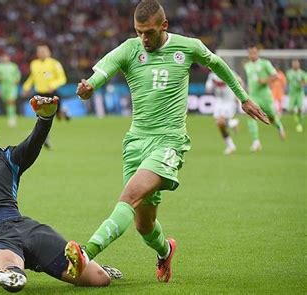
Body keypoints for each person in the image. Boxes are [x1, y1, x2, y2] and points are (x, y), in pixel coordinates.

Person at [64, 0, 269, 283]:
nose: (144, 38)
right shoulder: (130, 48)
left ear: (164, 25)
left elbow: (218, 64)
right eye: (139, 32)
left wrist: (243, 97)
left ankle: (86, 253)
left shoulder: (188, 46)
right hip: (135, 143)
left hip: (169, 142)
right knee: (143, 224)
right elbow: (102, 72)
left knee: (129, 197)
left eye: (149, 32)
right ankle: (165, 250)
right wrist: (89, 88)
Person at [0, 81, 121, 292]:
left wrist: (46, 118)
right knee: (11, 271)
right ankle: (8, 273)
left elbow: (33, 144)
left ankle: (87, 264)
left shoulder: (8, 158)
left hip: (25, 227)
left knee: (100, 279)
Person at [22, 44, 69, 148]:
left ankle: (63, 112)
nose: (42, 53)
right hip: (39, 94)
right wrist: (26, 87)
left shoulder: (55, 64)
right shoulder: (34, 64)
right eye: (40, 51)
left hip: (52, 94)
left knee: (59, 117)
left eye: (44, 51)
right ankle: (44, 137)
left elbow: (62, 78)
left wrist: (53, 85)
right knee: (41, 118)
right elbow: (32, 77)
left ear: (49, 52)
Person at [244, 46, 286, 152]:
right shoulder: (247, 66)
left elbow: (275, 76)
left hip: (265, 96)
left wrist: (265, 80)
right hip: (253, 96)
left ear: (257, 53)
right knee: (250, 115)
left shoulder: (265, 63)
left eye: (254, 52)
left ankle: (279, 127)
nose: (252, 55)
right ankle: (256, 141)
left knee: (271, 117)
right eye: (250, 53)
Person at [205, 71, 241, 155]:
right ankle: (232, 125)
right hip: (219, 102)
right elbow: (208, 88)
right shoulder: (212, 75)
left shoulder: (227, 71)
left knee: (220, 122)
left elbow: (240, 81)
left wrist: (238, 95)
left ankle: (230, 144)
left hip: (229, 101)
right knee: (220, 125)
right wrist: (210, 86)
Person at [0, 53, 21, 127]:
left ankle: (12, 118)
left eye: (6, 57)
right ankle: (11, 114)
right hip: (3, 87)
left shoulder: (13, 66)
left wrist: (17, 79)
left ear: (9, 58)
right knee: (7, 102)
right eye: (3, 57)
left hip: (12, 86)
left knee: (11, 101)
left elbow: (18, 75)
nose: (5, 59)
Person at [286, 59, 306, 133]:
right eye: (294, 63)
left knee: (300, 109)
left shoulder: (302, 73)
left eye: (296, 63)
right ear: (292, 64)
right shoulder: (289, 73)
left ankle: (299, 124)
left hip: (299, 93)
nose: (295, 65)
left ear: (299, 64)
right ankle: (297, 118)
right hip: (292, 94)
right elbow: (287, 81)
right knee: (290, 110)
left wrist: (302, 84)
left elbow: (304, 82)